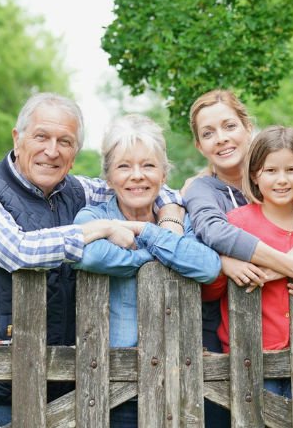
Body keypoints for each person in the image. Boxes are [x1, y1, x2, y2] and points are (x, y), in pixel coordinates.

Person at [0, 93, 182, 428]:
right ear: (18, 137)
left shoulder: (78, 190)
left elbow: (141, 183)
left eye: (65, 141)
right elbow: (20, 252)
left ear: (75, 153)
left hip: (72, 381)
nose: (52, 150)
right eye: (41, 136)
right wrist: (96, 229)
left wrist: (171, 214)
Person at [183, 89, 293, 425]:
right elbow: (213, 233)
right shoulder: (203, 189)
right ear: (199, 145)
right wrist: (227, 263)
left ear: (247, 127)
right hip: (231, 334)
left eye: (229, 126)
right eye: (208, 133)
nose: (221, 139)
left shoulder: (282, 174)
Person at [72, 114, 221, 426]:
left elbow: (208, 266)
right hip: (114, 381)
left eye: (148, 166)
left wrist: (144, 231)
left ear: (164, 174)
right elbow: (88, 255)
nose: (137, 176)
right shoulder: (92, 217)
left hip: (183, 378)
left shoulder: (182, 220)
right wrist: (158, 258)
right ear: (109, 177)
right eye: (124, 166)